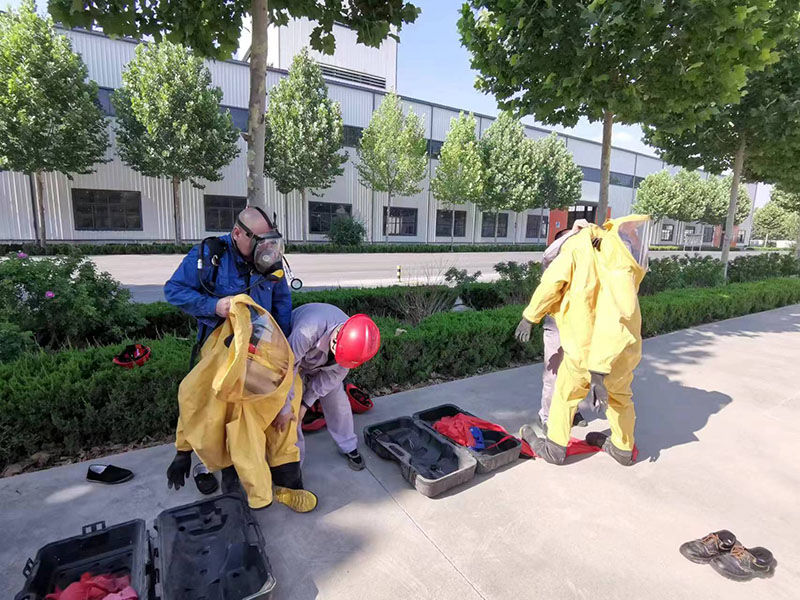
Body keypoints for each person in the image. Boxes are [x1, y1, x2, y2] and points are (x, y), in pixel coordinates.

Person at [163, 207, 303, 500]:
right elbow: (174, 290)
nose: (266, 248)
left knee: (260, 405)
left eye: (270, 240)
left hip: (260, 349)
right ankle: (219, 467)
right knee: (214, 407)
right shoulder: (210, 256)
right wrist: (214, 306)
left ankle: (270, 464)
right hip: (220, 349)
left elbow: (281, 301)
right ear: (238, 233)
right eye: (259, 241)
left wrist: (283, 348)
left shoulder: (267, 258)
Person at [517, 215, 652, 466]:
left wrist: (530, 316)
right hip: (623, 352)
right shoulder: (625, 259)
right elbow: (622, 317)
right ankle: (623, 448)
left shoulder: (580, 246)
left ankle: (555, 447)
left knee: (565, 394)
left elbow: (552, 281)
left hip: (584, 348)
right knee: (620, 397)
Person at [515, 219, 592, 433]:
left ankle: (572, 411)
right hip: (556, 326)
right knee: (553, 374)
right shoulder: (553, 262)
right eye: (568, 239)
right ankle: (547, 416)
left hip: (580, 327)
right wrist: (573, 232)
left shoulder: (583, 263)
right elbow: (547, 254)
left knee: (577, 373)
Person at [287, 303, 381, 470]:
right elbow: (286, 369)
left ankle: (348, 444)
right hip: (293, 359)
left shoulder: (354, 348)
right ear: (337, 336)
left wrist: (305, 405)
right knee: (290, 411)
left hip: (319, 363)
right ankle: (293, 463)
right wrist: (291, 407)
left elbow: (328, 380)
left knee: (337, 400)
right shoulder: (308, 330)